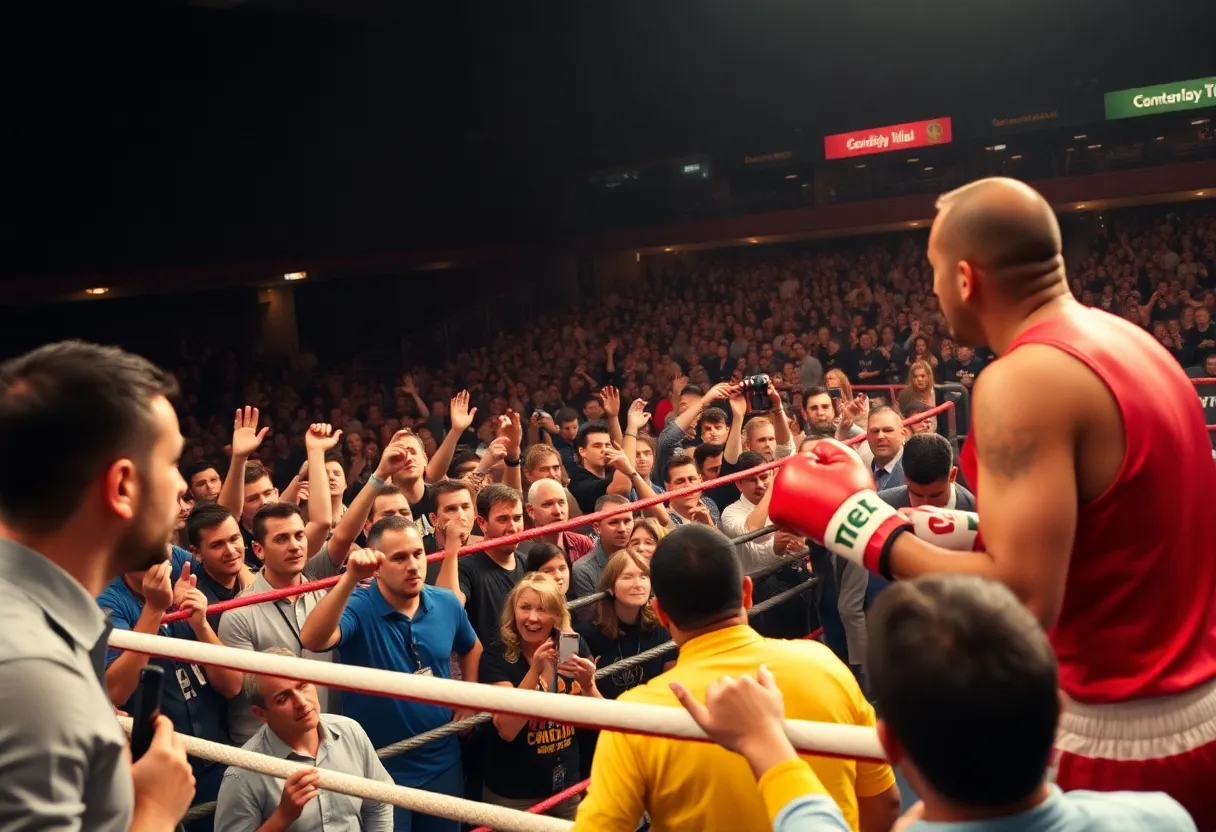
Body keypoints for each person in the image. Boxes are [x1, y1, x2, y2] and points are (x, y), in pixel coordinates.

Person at [770, 177, 1216, 826]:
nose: (931, 289)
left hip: (1111, 730)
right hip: (1194, 708)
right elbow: (1131, 516)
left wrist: (868, 531)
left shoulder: (1021, 380)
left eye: (931, 271)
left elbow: (1027, 597)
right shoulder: (1131, 342)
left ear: (964, 277)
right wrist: (962, 528)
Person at [675, 584, 1197, 830]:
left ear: (891, 745)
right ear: (1058, 711)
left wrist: (763, 740)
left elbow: (811, 821)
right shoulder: (1161, 819)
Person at [573, 525, 900, 832]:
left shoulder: (638, 715)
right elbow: (884, 804)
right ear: (747, 592)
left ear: (660, 612)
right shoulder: (824, 663)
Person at [0, 341, 195, 831]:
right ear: (123, 486)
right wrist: (152, 811)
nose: (181, 487)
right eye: (172, 462)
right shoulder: (31, 672)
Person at [300, 516, 482, 831]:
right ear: (378, 567)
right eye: (399, 558)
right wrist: (349, 579)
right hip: (380, 767)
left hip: (443, 758)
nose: (413, 565)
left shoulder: (446, 602)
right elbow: (312, 639)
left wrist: (470, 699)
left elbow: (472, 648)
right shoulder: (358, 605)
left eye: (417, 554)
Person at [99, 549, 242, 831]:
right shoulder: (108, 600)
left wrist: (199, 623)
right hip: (156, 767)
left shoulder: (178, 562)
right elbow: (115, 691)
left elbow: (232, 686)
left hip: (217, 756)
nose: (158, 561)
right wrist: (155, 609)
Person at [214, 648, 394, 832]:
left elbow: (379, 804)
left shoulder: (350, 732)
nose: (301, 702)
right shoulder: (241, 774)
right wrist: (282, 818)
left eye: (303, 685)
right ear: (261, 714)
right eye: (283, 698)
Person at [217, 500, 346, 745]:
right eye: (281, 539)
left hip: (328, 740)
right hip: (267, 753)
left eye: (299, 535)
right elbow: (243, 691)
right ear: (258, 550)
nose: (295, 546)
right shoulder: (237, 615)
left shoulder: (324, 598)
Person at [479, 574, 601, 820]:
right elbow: (506, 729)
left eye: (543, 610)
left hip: (566, 788)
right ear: (513, 611)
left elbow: (599, 723)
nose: (532, 618)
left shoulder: (570, 646)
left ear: (557, 615)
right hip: (514, 795)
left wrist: (588, 686)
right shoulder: (497, 655)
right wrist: (534, 671)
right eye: (525, 607)